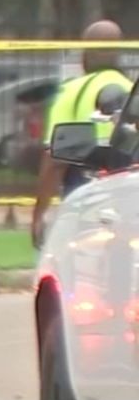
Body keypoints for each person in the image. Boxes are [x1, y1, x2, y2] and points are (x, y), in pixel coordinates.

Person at [30, 20, 129, 248]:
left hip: (83, 207)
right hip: (128, 208)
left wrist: (39, 216)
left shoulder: (71, 92)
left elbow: (54, 161)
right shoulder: (131, 89)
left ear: (87, 51)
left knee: (65, 271)